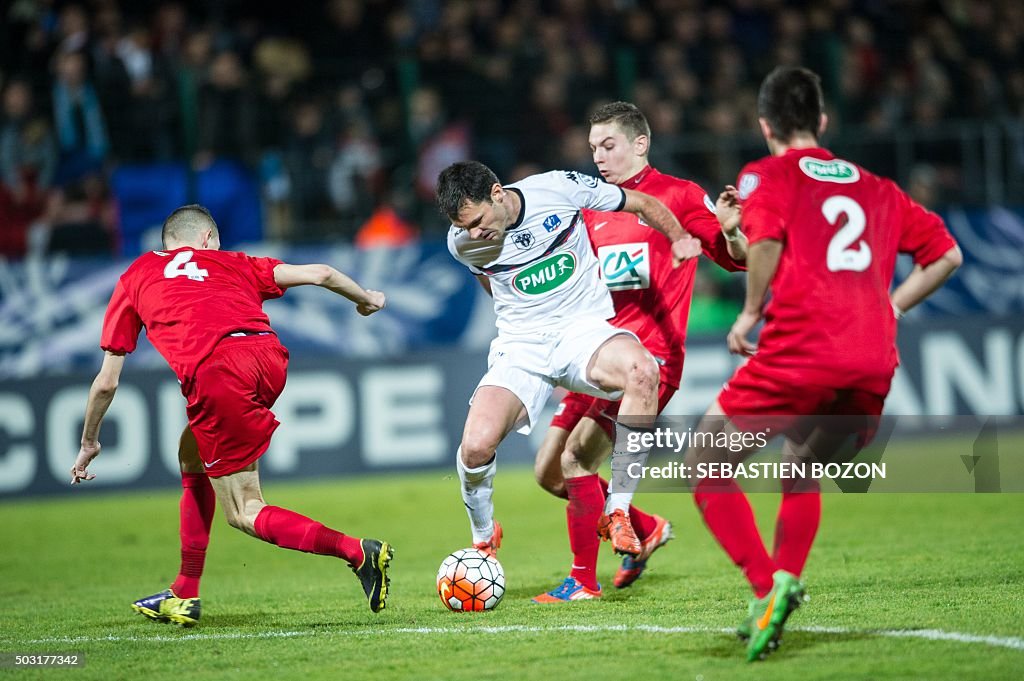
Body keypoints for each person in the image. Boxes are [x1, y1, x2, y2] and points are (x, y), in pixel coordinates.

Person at [683, 66, 962, 661]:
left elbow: (764, 245)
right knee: (802, 465)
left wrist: (749, 313)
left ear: (765, 127)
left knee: (705, 462)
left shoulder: (766, 174)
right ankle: (783, 581)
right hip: (871, 362)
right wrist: (890, 305)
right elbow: (947, 255)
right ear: (823, 121)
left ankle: (765, 591)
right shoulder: (878, 187)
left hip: (802, 351)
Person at [70, 204, 394, 626]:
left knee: (244, 510)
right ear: (207, 239)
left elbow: (107, 382)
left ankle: (358, 552)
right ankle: (184, 591)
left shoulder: (134, 277)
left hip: (218, 372)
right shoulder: (233, 262)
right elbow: (322, 273)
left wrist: (89, 440)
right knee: (192, 452)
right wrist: (367, 299)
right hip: (268, 357)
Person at [531, 101, 747, 603]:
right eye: (592, 149)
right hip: (593, 357)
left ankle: (582, 580)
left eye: (608, 146)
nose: (599, 157)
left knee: (576, 460)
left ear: (640, 144)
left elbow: (736, 261)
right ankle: (645, 529)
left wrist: (733, 230)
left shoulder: (680, 196)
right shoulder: (588, 207)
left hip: (647, 362)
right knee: (548, 474)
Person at [438, 160, 702, 559]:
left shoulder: (557, 189)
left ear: (497, 192)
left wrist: (679, 236)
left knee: (643, 372)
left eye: (476, 221)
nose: (474, 233)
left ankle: (619, 512)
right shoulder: (461, 243)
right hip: (522, 345)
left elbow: (642, 203)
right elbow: (492, 283)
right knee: (475, 448)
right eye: (465, 227)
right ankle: (484, 535)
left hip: (583, 330)